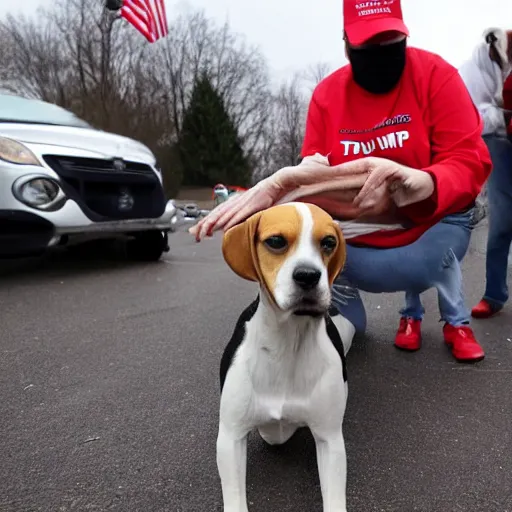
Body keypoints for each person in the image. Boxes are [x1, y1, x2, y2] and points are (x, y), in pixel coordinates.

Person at [192, 0, 492, 362]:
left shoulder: (437, 76)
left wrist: (427, 181)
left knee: (437, 256)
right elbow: (313, 181)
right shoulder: (327, 96)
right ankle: (327, 334)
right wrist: (283, 185)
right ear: (347, 43)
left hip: (430, 230)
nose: (381, 53)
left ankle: (451, 319)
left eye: (390, 40)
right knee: (317, 277)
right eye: (369, 44)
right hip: (358, 239)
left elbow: (469, 159)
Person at [459, 29, 512, 319]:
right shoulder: (470, 73)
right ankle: (494, 295)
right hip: (497, 143)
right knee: (502, 220)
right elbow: (471, 117)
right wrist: (505, 115)